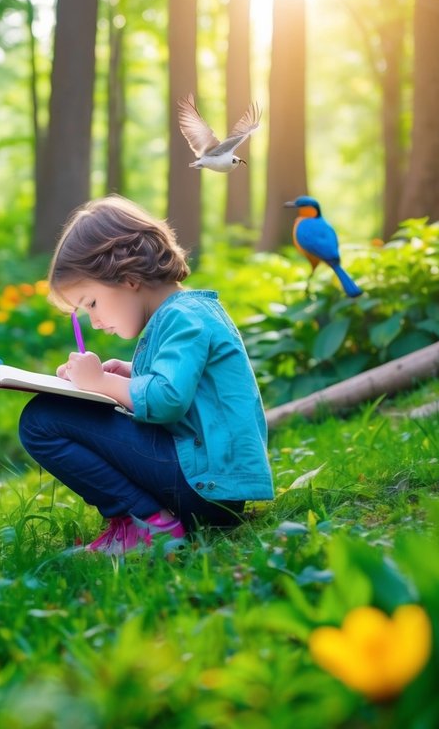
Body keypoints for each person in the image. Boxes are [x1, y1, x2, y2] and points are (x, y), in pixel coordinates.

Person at [19, 195, 274, 554]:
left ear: (128, 277)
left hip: (204, 485)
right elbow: (186, 393)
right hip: (207, 483)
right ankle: (147, 520)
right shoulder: (182, 314)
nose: (94, 321)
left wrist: (101, 383)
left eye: (91, 303)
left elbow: (167, 400)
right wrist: (125, 373)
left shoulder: (184, 317)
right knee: (50, 414)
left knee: (41, 420)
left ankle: (146, 523)